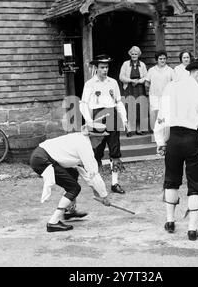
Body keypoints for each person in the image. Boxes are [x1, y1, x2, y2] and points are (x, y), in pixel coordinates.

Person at [154, 58, 198, 241]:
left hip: (172, 139)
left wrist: (160, 142)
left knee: (171, 180)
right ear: (197, 72)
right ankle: (192, 228)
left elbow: (161, 117)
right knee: (196, 183)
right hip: (192, 140)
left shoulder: (170, 87)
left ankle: (170, 220)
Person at [29, 122, 112, 232]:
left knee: (73, 174)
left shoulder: (81, 139)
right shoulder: (84, 146)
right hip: (42, 160)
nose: (101, 142)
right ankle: (53, 222)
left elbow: (83, 170)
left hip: (42, 155)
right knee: (74, 188)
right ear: (92, 136)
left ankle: (69, 212)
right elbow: (93, 173)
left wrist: (96, 191)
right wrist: (104, 196)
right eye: (99, 139)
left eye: (102, 139)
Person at [80, 54, 128, 194]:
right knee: (96, 153)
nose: (105, 70)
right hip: (97, 119)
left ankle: (115, 183)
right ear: (96, 68)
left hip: (112, 117)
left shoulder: (112, 82)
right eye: (102, 67)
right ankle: (98, 184)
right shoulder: (90, 84)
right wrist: (89, 121)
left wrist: (124, 119)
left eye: (106, 67)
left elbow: (118, 102)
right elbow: (83, 104)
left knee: (115, 152)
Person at [119, 46, 148, 137]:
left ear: (138, 55)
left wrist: (138, 81)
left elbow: (146, 77)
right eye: (132, 54)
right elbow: (121, 77)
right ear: (130, 54)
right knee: (129, 107)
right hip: (129, 88)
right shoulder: (125, 64)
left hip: (139, 88)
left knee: (139, 107)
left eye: (136, 54)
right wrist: (131, 81)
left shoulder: (142, 65)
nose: (134, 55)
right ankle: (129, 129)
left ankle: (139, 129)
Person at [145, 50, 174, 135]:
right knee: (155, 115)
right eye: (160, 58)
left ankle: (165, 135)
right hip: (154, 96)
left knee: (165, 115)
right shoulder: (152, 70)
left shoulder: (170, 70)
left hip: (166, 97)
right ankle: (156, 134)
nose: (162, 60)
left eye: (164, 58)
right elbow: (147, 83)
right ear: (157, 60)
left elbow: (174, 83)